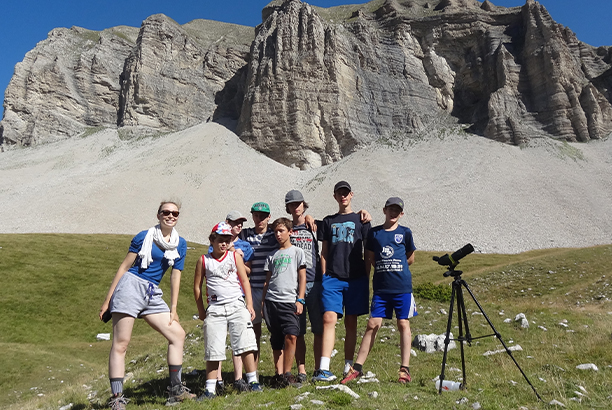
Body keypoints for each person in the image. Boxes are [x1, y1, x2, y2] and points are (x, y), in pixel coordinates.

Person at [99, 201, 194, 410]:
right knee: (121, 343)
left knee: (177, 334)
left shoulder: (181, 243)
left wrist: (174, 308)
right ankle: (117, 399)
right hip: (131, 287)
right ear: (158, 215)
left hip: (152, 292)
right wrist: (108, 299)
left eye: (175, 213)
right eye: (166, 212)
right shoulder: (144, 236)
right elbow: (125, 267)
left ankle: (175, 390)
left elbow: (175, 276)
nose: (170, 216)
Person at [341, 197, 417, 384]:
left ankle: (404, 369)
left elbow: (410, 258)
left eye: (397, 210)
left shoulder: (405, 233)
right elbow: (371, 258)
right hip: (381, 288)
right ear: (384, 210)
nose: (393, 213)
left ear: (402, 213)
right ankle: (357, 368)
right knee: (373, 324)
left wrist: (395, 266)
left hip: (402, 287)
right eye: (390, 209)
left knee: (403, 324)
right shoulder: (374, 233)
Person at [193, 222, 262, 399]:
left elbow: (244, 280)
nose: (223, 244)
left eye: (227, 240)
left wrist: (249, 304)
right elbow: (197, 287)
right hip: (215, 307)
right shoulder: (203, 260)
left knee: (245, 343)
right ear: (212, 240)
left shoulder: (234, 257)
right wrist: (201, 310)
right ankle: (210, 388)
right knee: (213, 347)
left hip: (236, 303)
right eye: (220, 240)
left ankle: (253, 380)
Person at [313, 181, 372, 382]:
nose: (343, 196)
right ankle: (323, 368)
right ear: (335, 196)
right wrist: (325, 274)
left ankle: (348, 364)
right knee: (329, 318)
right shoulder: (329, 221)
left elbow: (368, 251)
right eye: (339, 193)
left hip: (356, 278)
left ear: (351, 195)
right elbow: (324, 252)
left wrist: (365, 277)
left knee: (351, 321)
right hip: (333, 277)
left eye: (346, 193)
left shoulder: (362, 220)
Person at [207, 211, 254, 393]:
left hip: (237, 295)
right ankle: (217, 379)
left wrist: (237, 257)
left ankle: (239, 377)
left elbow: (248, 271)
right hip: (218, 298)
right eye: (236, 223)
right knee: (217, 338)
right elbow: (213, 262)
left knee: (238, 338)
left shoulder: (244, 245)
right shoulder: (217, 243)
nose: (239, 226)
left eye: (241, 223)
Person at [284, 190, 324, 383]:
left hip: (315, 282)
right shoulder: (286, 229)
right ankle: (302, 371)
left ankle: (318, 368)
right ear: (288, 207)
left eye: (299, 203)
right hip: (294, 286)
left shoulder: (313, 225)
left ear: (303, 204)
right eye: (292, 204)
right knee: (298, 330)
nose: (296, 206)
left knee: (318, 328)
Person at [262, 218, 306, 387]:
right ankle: (278, 374)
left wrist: (300, 299)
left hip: (290, 300)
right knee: (276, 338)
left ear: (290, 232)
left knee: (292, 335)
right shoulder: (272, 255)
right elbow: (267, 281)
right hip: (271, 300)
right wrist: (262, 304)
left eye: (281, 231)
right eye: (275, 232)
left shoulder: (297, 252)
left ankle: (288, 373)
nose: (278, 234)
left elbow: (302, 277)